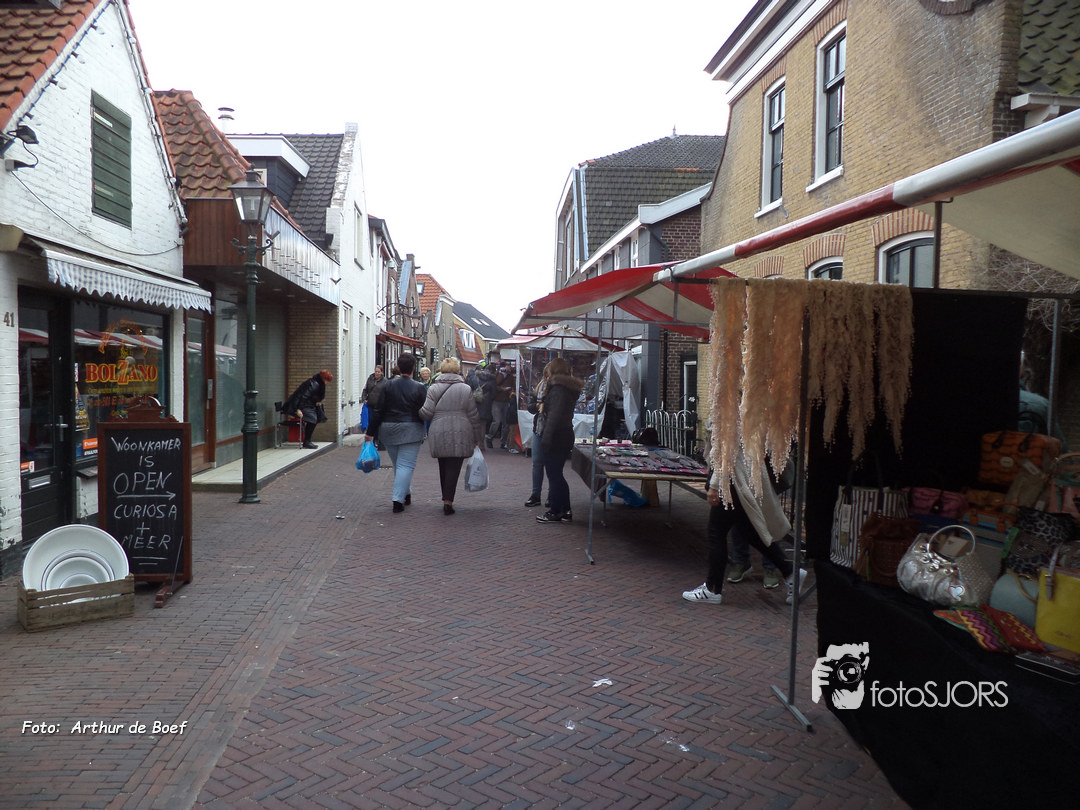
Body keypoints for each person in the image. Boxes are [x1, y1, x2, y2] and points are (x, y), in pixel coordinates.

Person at [683, 450, 807, 606]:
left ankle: (712, 589)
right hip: (742, 475)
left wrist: (714, 485)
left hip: (732, 479)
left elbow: (727, 448)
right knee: (748, 530)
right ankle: (790, 572)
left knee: (716, 532)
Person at [419, 357, 484, 515]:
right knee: (454, 467)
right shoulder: (466, 389)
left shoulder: (433, 388)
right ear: (457, 370)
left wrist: (416, 410)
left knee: (443, 465)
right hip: (461, 430)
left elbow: (426, 413)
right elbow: (473, 415)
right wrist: (477, 437)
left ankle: (446, 497)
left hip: (438, 429)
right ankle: (448, 501)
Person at [364, 353, 426, 513]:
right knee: (406, 464)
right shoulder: (419, 387)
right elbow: (425, 410)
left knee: (398, 464)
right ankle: (398, 500)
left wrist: (370, 432)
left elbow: (378, 410)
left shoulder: (388, 385)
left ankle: (406, 493)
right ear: (414, 368)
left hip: (388, 428)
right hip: (411, 429)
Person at [536, 358, 583, 524]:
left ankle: (555, 511)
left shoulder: (558, 389)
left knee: (554, 475)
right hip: (565, 433)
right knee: (558, 474)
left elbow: (553, 418)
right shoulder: (568, 388)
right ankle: (565, 509)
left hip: (556, 435)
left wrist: (546, 438)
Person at [284, 369, 333, 449]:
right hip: (301, 405)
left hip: (307, 405)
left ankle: (307, 441)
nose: (328, 383)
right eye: (328, 380)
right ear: (324, 379)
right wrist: (298, 409)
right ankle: (307, 441)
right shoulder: (314, 385)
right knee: (313, 419)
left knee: (314, 419)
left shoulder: (316, 383)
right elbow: (304, 397)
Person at [525, 365, 551, 508]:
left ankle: (551, 495)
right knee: (537, 464)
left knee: (551, 465)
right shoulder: (539, 387)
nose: (547, 378)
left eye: (549, 375)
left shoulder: (557, 389)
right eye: (545, 375)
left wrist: (546, 405)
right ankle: (536, 495)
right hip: (538, 429)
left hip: (551, 431)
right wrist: (536, 406)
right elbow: (530, 406)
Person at [487, 361, 515, 450]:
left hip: (506, 400)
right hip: (497, 400)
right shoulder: (497, 375)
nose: (508, 368)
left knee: (505, 423)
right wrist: (502, 389)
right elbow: (493, 386)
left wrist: (511, 391)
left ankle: (503, 442)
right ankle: (489, 437)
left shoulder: (511, 377)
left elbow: (513, 387)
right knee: (497, 421)